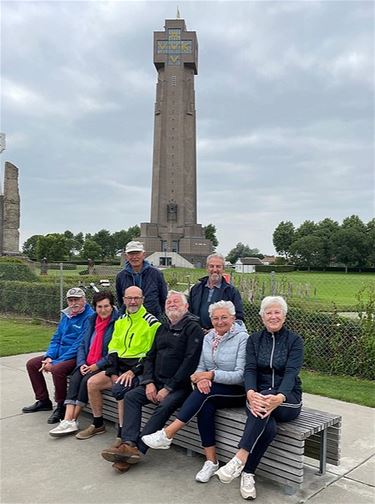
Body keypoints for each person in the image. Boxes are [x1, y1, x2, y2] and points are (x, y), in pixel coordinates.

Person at [142, 300, 249, 483]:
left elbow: (240, 375)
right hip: (211, 389)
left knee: (204, 394)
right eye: (215, 318)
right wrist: (199, 377)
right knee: (205, 405)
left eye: (224, 317)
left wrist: (210, 375)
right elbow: (199, 366)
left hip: (237, 391)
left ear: (233, 318)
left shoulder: (242, 338)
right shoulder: (208, 337)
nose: (219, 322)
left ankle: (168, 433)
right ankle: (211, 461)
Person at [100, 290, 204, 473]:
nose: (172, 304)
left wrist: (168, 388)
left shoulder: (193, 328)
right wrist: (148, 382)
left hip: (180, 386)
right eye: (169, 302)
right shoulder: (162, 328)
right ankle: (128, 442)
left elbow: (190, 362)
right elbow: (149, 357)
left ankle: (136, 450)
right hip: (156, 382)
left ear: (186, 307)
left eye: (176, 302)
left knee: (163, 407)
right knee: (132, 396)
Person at [215, 296, 304, 500]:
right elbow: (250, 370)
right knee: (268, 426)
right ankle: (247, 473)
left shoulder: (295, 341)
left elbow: (291, 372)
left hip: (287, 399)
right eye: (268, 313)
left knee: (266, 401)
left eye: (277, 312)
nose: (273, 316)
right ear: (262, 317)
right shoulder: (254, 340)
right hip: (258, 396)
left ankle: (240, 457)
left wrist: (280, 396)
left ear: (284, 315)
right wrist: (250, 392)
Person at [75, 286, 160, 442]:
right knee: (92, 383)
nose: (132, 301)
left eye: (136, 298)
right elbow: (113, 348)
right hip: (118, 366)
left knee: (121, 389)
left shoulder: (152, 322)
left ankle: (121, 434)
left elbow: (150, 355)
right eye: (129, 298)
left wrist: (133, 371)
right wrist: (113, 372)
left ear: (143, 299)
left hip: (137, 370)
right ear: (123, 300)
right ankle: (98, 423)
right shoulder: (120, 320)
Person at [48, 291, 118, 437]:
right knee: (75, 376)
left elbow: (113, 352)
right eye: (99, 306)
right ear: (95, 307)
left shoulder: (116, 323)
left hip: (103, 365)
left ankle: (73, 419)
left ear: (112, 306)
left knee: (85, 381)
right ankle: (67, 419)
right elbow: (82, 345)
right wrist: (81, 363)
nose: (103, 310)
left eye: (106, 306)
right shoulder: (92, 320)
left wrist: (96, 366)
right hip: (87, 362)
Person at [22, 287, 94, 424]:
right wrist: (48, 357)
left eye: (77, 299)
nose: (74, 303)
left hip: (76, 356)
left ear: (84, 299)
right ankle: (43, 400)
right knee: (32, 364)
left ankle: (61, 406)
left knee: (57, 369)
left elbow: (79, 345)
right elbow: (56, 338)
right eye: (71, 300)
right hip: (59, 355)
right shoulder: (67, 315)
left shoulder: (89, 317)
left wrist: (55, 362)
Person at [189, 253, 244, 331]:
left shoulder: (231, 292)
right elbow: (189, 313)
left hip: (221, 336)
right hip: (198, 335)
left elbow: (239, 317)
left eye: (218, 266)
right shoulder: (196, 289)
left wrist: (216, 330)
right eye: (211, 266)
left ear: (223, 269)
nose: (215, 270)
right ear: (207, 268)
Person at [115, 241, 167, 319]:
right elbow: (120, 300)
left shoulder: (156, 274)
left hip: (153, 319)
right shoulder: (121, 276)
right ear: (126, 256)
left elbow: (163, 298)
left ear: (143, 255)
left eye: (137, 253)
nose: (134, 257)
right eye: (131, 254)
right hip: (129, 319)